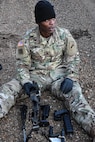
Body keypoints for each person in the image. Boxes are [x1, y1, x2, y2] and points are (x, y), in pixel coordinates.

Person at [0, 0, 95, 141]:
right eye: (46, 20)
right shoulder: (25, 40)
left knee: (76, 94)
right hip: (35, 76)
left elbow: (73, 59)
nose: (51, 23)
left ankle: (92, 127)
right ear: (39, 22)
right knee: (8, 90)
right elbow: (21, 65)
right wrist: (25, 81)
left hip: (59, 76)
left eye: (53, 19)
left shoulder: (65, 35)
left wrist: (71, 77)